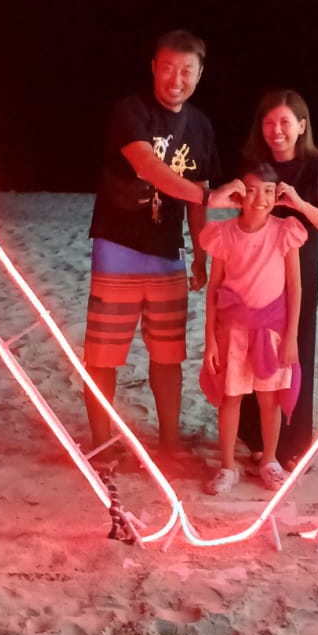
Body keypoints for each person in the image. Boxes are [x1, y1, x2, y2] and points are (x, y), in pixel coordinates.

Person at [84, 29, 222, 457]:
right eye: (167, 68)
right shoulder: (131, 111)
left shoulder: (200, 126)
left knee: (168, 352)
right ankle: (101, 440)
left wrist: (201, 254)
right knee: (104, 352)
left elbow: (199, 187)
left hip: (167, 253)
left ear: (200, 74)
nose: (176, 79)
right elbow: (147, 166)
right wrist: (204, 195)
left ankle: (167, 443)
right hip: (118, 244)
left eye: (186, 70)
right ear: (153, 68)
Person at [238, 90, 318, 468]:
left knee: (295, 352)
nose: (277, 131)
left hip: (300, 276)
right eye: (269, 123)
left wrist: (301, 205)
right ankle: (255, 438)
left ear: (301, 126)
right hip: (255, 275)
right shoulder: (256, 167)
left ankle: (292, 443)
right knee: (255, 352)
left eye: (285, 122)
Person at [199, 164, 307, 495]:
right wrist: (210, 342)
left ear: (277, 196)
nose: (260, 199)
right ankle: (228, 466)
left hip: (271, 331)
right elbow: (214, 288)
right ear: (240, 194)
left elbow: (295, 288)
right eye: (253, 190)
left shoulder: (284, 231)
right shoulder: (224, 234)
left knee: (269, 400)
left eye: (268, 192)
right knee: (230, 398)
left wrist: (291, 338)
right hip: (231, 330)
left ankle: (269, 461)